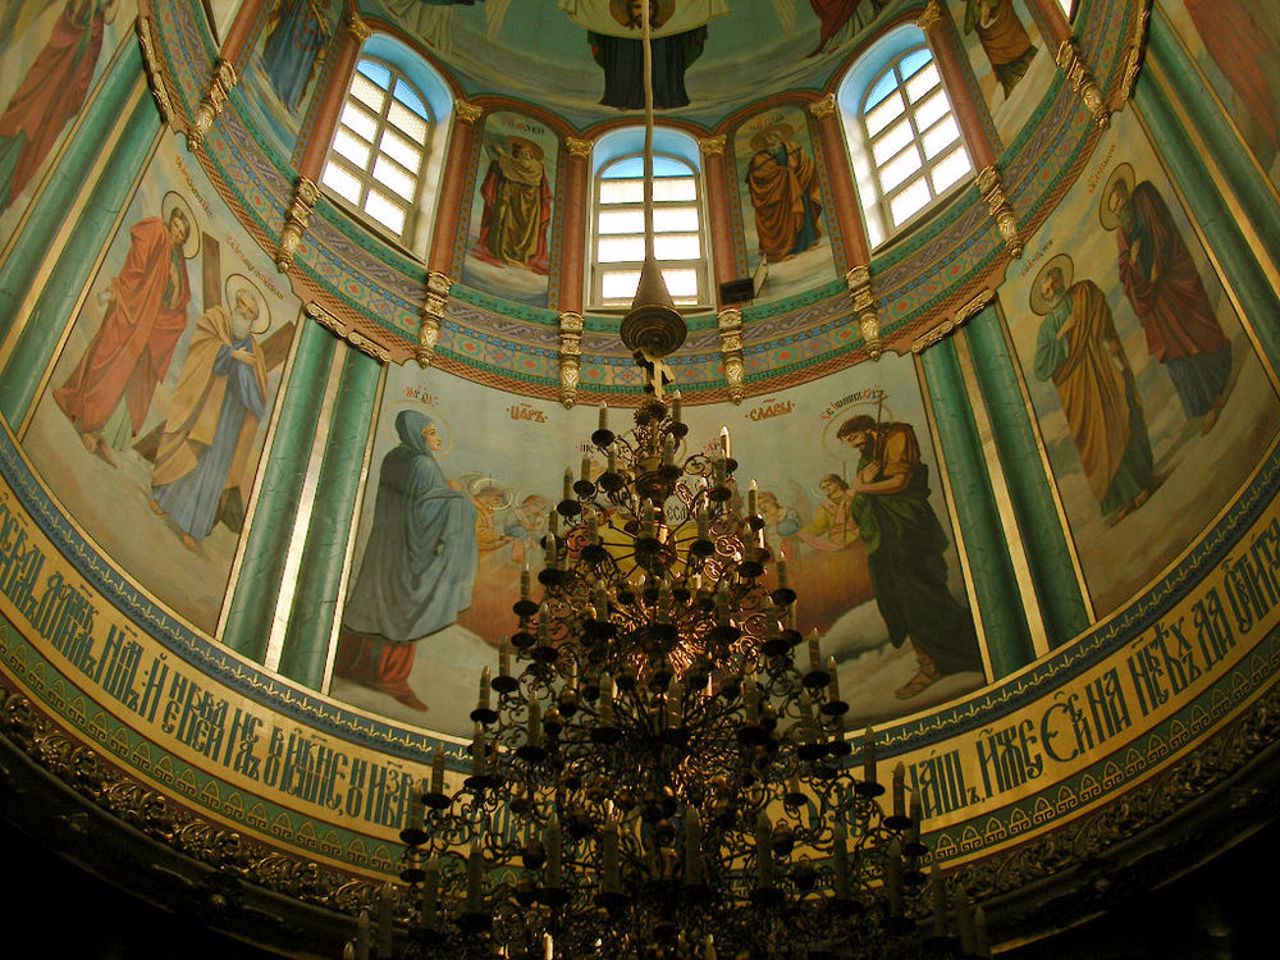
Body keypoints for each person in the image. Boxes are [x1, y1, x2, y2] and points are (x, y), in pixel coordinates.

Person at [335, 411, 478, 711]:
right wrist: (459, 499)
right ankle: (390, 678)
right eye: (431, 432)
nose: (437, 437)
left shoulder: (394, 458)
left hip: (386, 545)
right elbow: (427, 511)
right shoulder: (423, 464)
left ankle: (352, 665)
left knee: (375, 602)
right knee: (403, 607)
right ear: (418, 434)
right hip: (409, 550)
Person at [837, 414, 982, 698]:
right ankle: (929, 664)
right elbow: (862, 497)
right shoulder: (867, 458)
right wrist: (857, 491)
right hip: (885, 540)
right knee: (897, 601)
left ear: (867, 429)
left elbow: (901, 481)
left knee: (924, 598)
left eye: (854, 438)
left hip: (909, 534)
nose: (853, 445)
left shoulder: (898, 435)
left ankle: (960, 656)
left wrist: (861, 487)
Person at [54, 199, 194, 466]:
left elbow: (176, 307)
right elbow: (136, 267)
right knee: (106, 363)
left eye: (181, 232)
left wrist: (175, 285)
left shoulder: (180, 265)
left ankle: (98, 430)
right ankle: (86, 422)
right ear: (169, 221)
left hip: (147, 328)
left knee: (123, 378)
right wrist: (118, 291)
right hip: (131, 312)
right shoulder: (156, 231)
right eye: (175, 226)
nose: (176, 233)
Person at [1102, 165, 1231, 432]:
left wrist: (1157, 268)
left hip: (1172, 283)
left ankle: (1218, 385)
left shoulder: (1145, 198)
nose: (1120, 206)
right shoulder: (1121, 235)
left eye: (1121, 198)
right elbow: (1125, 272)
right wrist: (1139, 267)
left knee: (1194, 330)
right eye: (1116, 206)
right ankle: (1202, 404)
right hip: (1155, 303)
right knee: (1174, 351)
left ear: (1127, 192)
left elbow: (1163, 232)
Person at [1031, 254, 1154, 524]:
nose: (1051, 292)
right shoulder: (1047, 328)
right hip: (1077, 389)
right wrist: (1062, 333)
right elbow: (1041, 368)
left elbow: (1101, 315)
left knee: (1118, 419)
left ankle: (1139, 485)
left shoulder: (1083, 295)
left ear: (1061, 280)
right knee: (1098, 438)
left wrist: (1109, 341)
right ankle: (1121, 497)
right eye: (1046, 292)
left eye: (1052, 285)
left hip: (1100, 369)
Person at [147, 285, 269, 552]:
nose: (245, 315)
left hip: (228, 422)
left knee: (211, 473)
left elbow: (259, 400)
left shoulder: (256, 353)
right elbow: (200, 347)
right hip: (205, 405)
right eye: (243, 309)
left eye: (250, 314)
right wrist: (230, 354)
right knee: (188, 452)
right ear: (234, 306)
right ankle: (164, 499)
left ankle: (193, 528)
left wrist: (246, 377)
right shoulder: (217, 320)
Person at [0, 0, 117, 212]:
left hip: (56, 104)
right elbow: (65, 31)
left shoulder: (97, 28)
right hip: (43, 87)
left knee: (27, 151)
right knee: (17, 128)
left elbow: (84, 77)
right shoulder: (83, 10)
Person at [472, 137, 552, 275]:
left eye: (527, 153)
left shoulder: (535, 167)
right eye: (521, 153)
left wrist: (502, 154)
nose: (524, 155)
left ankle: (521, 255)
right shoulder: (513, 163)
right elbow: (513, 167)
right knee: (507, 224)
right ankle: (503, 252)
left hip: (530, 206)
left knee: (525, 231)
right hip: (510, 200)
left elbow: (518, 167)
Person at [746, 125, 823, 264]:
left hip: (797, 190)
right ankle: (787, 251)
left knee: (803, 215)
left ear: (779, 138)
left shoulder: (793, 149)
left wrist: (796, 177)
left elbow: (806, 164)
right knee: (786, 221)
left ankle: (809, 242)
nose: (769, 141)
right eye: (766, 139)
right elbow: (757, 176)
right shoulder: (760, 159)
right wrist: (784, 174)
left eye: (772, 137)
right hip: (779, 197)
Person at [261, 0, 329, 113]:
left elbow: (324, 38)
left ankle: (286, 96)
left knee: (294, 71)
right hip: (289, 40)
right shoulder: (303, 3)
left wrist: (317, 16)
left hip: (303, 57)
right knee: (283, 58)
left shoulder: (321, 18)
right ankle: (271, 74)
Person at [963, 0, 1038, 97]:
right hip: (994, 46)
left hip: (1008, 29)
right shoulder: (972, 5)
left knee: (1028, 59)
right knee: (1007, 76)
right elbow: (968, 28)